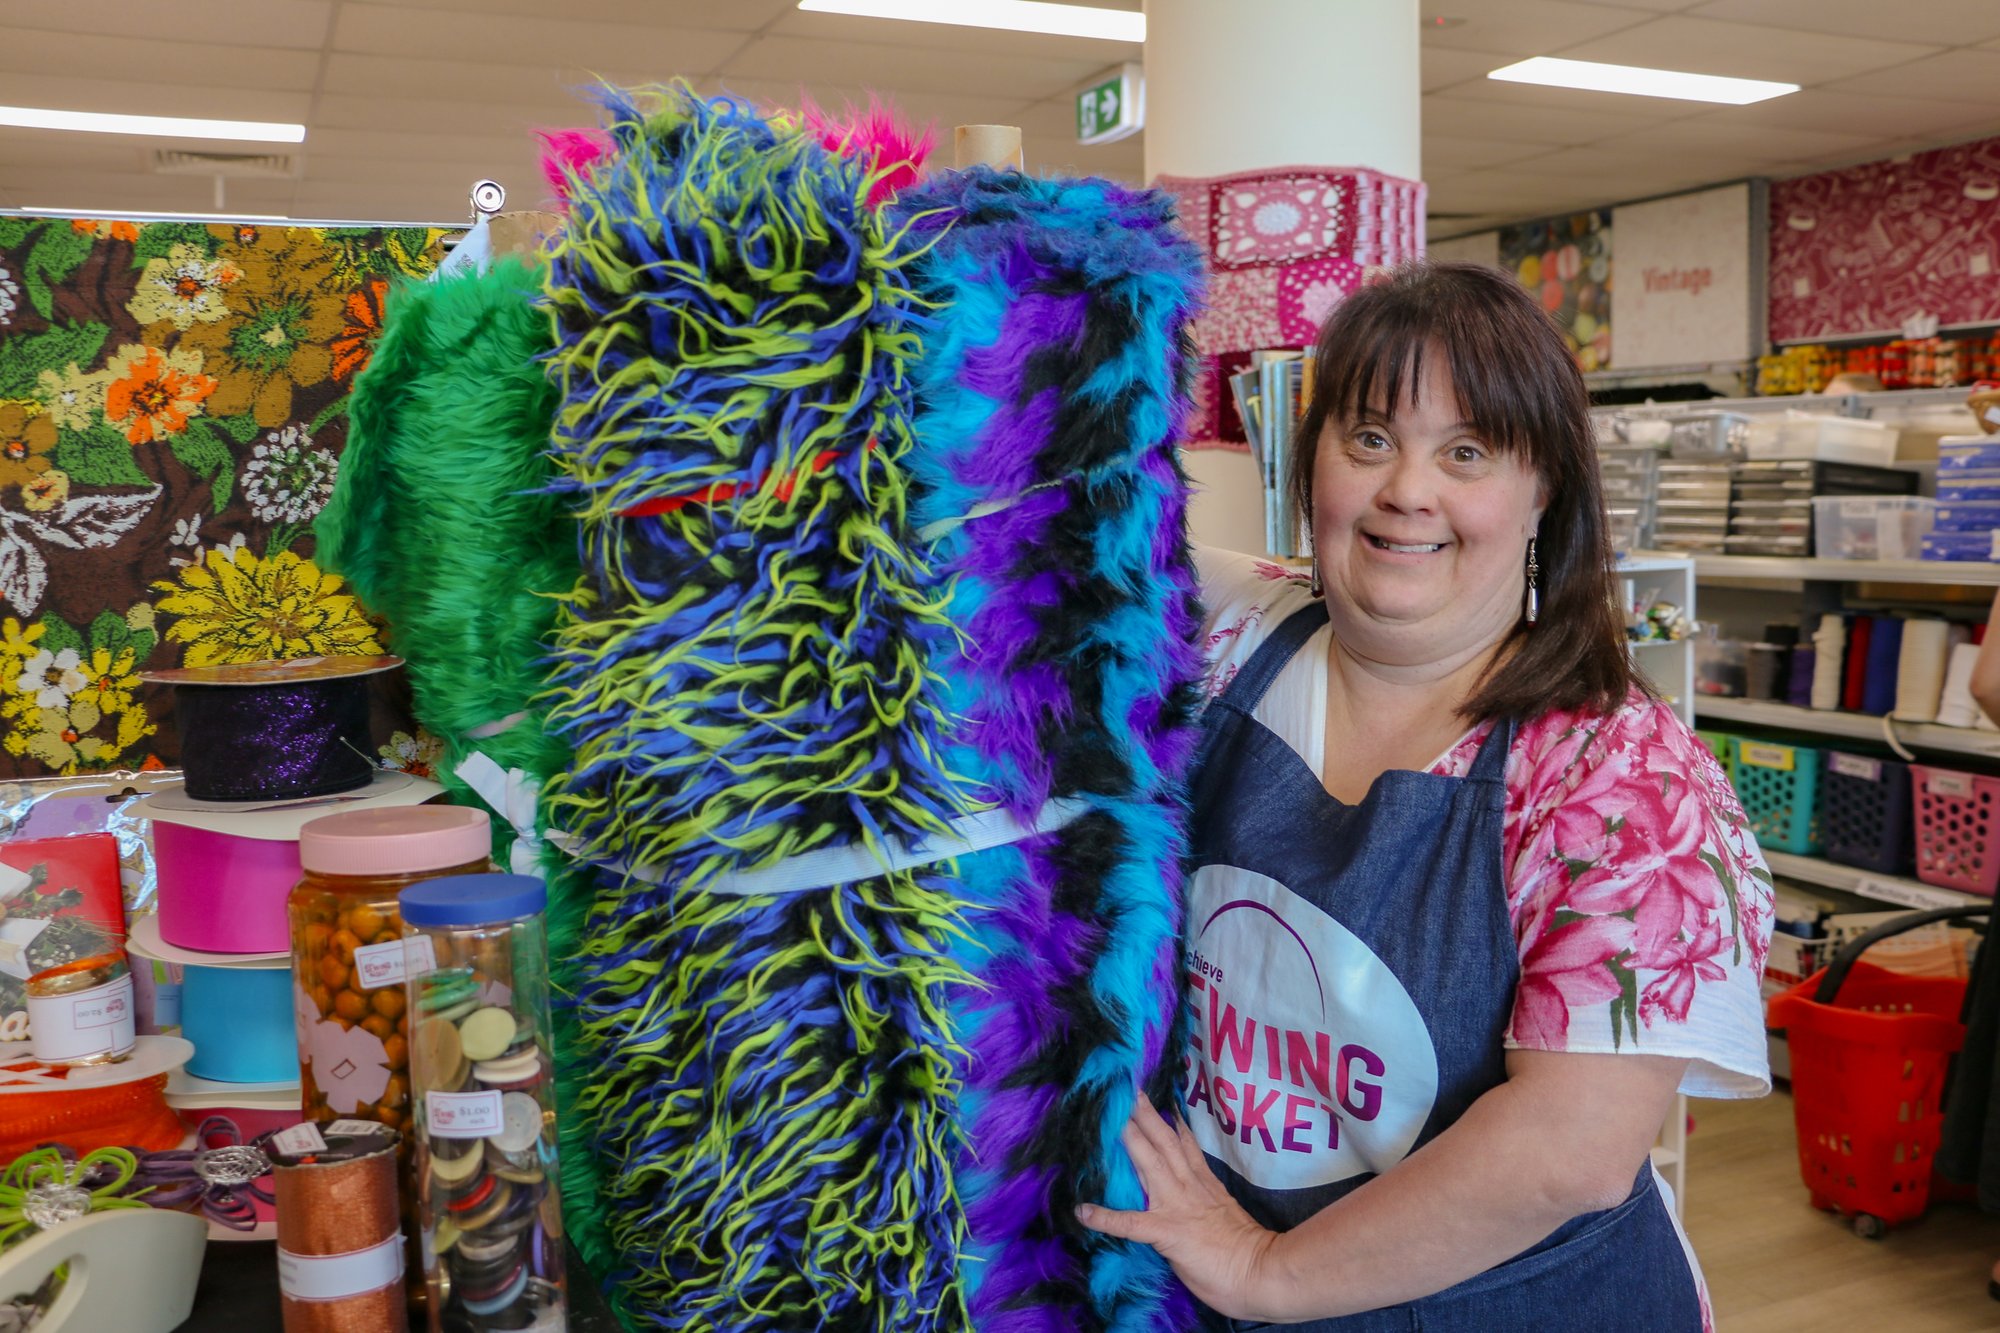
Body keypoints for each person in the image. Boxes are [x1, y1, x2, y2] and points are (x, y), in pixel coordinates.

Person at [1079, 262, 1774, 1330]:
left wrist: (1266, 1270)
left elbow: (1565, 1153)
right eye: (1367, 440)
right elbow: (1043, 517)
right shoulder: (1228, 640)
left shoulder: (1621, 784)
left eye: (1465, 452)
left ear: (1543, 489)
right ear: (1305, 464)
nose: (1406, 490)